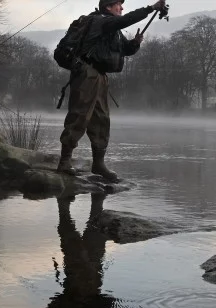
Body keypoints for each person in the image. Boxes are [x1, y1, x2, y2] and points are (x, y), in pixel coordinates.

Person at [57, 0, 166, 180]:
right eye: (118, 5)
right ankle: (64, 162)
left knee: (101, 120)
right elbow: (126, 20)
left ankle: (98, 165)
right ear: (108, 7)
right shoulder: (101, 21)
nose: (122, 8)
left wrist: (135, 44)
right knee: (79, 116)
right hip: (86, 73)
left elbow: (124, 50)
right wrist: (150, 8)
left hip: (100, 76)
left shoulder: (112, 29)